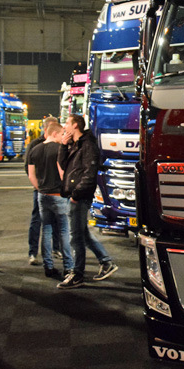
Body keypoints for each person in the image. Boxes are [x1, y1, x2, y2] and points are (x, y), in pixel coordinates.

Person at [56, 114, 117, 289]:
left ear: (75, 125)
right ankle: (106, 262)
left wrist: (76, 195)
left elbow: (89, 174)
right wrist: (63, 145)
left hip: (79, 197)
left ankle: (77, 274)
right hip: (75, 195)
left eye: (67, 123)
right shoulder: (76, 144)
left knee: (75, 237)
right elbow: (64, 165)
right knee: (82, 233)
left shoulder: (87, 145)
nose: (64, 126)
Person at [27, 121, 74, 280]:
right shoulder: (59, 150)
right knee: (64, 231)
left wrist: (40, 188)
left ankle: (48, 266)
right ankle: (68, 267)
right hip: (58, 195)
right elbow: (63, 173)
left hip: (42, 195)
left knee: (46, 230)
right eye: (61, 134)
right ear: (54, 133)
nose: (62, 137)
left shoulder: (35, 150)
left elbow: (31, 175)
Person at [25, 116, 60, 264]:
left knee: (56, 221)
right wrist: (40, 187)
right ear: (46, 129)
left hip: (53, 189)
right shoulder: (35, 145)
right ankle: (33, 252)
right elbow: (28, 169)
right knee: (37, 220)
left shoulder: (57, 145)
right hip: (41, 189)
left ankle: (56, 248)